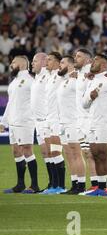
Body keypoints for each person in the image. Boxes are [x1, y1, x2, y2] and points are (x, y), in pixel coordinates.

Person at [1, 56, 39, 194]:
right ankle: (20, 184)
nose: (11, 65)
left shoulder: (30, 80)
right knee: (16, 152)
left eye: (13, 62)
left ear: (22, 64)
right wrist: (3, 122)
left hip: (24, 121)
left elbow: (37, 100)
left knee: (27, 150)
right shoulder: (14, 82)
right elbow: (10, 104)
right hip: (13, 122)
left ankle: (34, 185)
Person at [83, 53, 107, 196]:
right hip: (92, 122)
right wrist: (90, 97)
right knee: (95, 155)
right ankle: (101, 187)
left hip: (104, 122)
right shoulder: (91, 81)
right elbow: (83, 104)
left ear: (104, 65)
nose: (92, 62)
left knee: (104, 154)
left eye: (96, 60)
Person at [56, 55, 86, 194]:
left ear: (71, 65)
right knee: (69, 154)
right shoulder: (64, 81)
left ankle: (81, 185)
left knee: (76, 153)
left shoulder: (75, 80)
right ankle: (74, 183)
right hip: (63, 122)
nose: (59, 65)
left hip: (73, 121)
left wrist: (79, 76)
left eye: (62, 62)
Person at [72, 48, 98, 195]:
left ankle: (98, 184)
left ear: (88, 60)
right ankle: (95, 184)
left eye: (79, 56)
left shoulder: (91, 75)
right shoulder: (81, 74)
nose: (76, 58)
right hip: (80, 120)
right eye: (75, 56)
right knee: (87, 153)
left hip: (90, 119)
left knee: (91, 154)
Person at [41, 52, 66, 194]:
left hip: (57, 119)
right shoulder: (49, 77)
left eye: (50, 60)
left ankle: (61, 186)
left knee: (56, 151)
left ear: (58, 62)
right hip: (48, 119)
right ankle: (54, 185)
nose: (47, 62)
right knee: (50, 152)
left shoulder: (61, 76)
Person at [30, 52, 51, 193]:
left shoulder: (48, 76)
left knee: (52, 152)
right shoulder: (37, 77)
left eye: (35, 61)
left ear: (44, 62)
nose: (32, 63)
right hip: (38, 121)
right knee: (45, 153)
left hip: (47, 120)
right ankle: (52, 183)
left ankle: (57, 184)